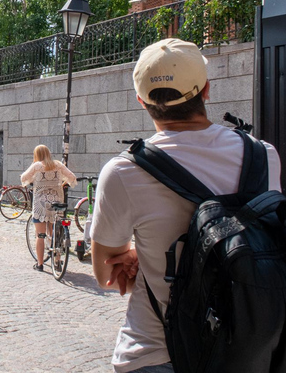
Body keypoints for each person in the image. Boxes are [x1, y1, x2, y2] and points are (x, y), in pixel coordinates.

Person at [90, 38, 282, 372]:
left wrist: (140, 253)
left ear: (141, 101)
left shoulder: (123, 173)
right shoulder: (263, 155)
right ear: (206, 90)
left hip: (156, 355)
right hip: (249, 351)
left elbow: (106, 274)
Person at [20, 145, 77, 272]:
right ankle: (57, 261)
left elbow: (24, 178)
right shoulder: (58, 164)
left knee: (40, 235)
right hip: (57, 202)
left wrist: (33, 181)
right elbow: (72, 177)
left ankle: (40, 264)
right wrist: (62, 183)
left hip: (41, 204)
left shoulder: (36, 166)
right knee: (53, 232)